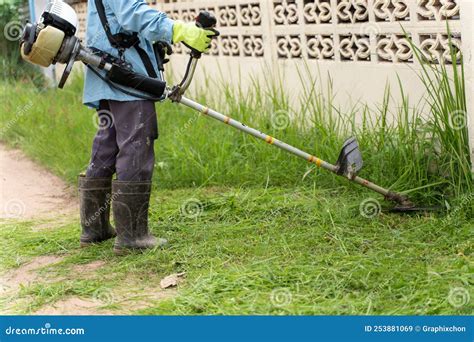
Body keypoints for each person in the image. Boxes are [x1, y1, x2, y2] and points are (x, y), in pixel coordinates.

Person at [79, 0, 216, 254]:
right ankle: (132, 236)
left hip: (108, 73)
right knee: (136, 146)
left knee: (106, 146)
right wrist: (178, 30)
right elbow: (132, 14)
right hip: (125, 77)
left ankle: (94, 228)